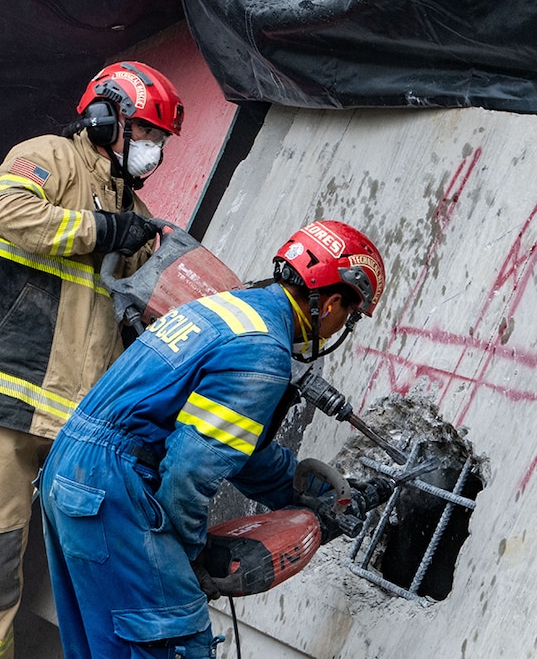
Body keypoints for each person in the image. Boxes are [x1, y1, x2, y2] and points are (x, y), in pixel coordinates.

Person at [38, 220, 387, 659]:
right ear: (333, 302)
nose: (340, 327)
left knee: (105, 645)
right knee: (173, 638)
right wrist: (190, 556)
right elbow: (190, 470)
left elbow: (241, 448)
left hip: (73, 471)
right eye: (349, 317)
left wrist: (301, 491)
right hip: (112, 487)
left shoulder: (222, 309)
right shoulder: (263, 351)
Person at [0, 61, 185, 659]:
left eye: (159, 141)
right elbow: (3, 211)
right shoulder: (50, 156)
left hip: (80, 421)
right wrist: (106, 229)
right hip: (5, 400)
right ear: (107, 118)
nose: (152, 150)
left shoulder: (126, 205)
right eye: (147, 134)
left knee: (96, 568)